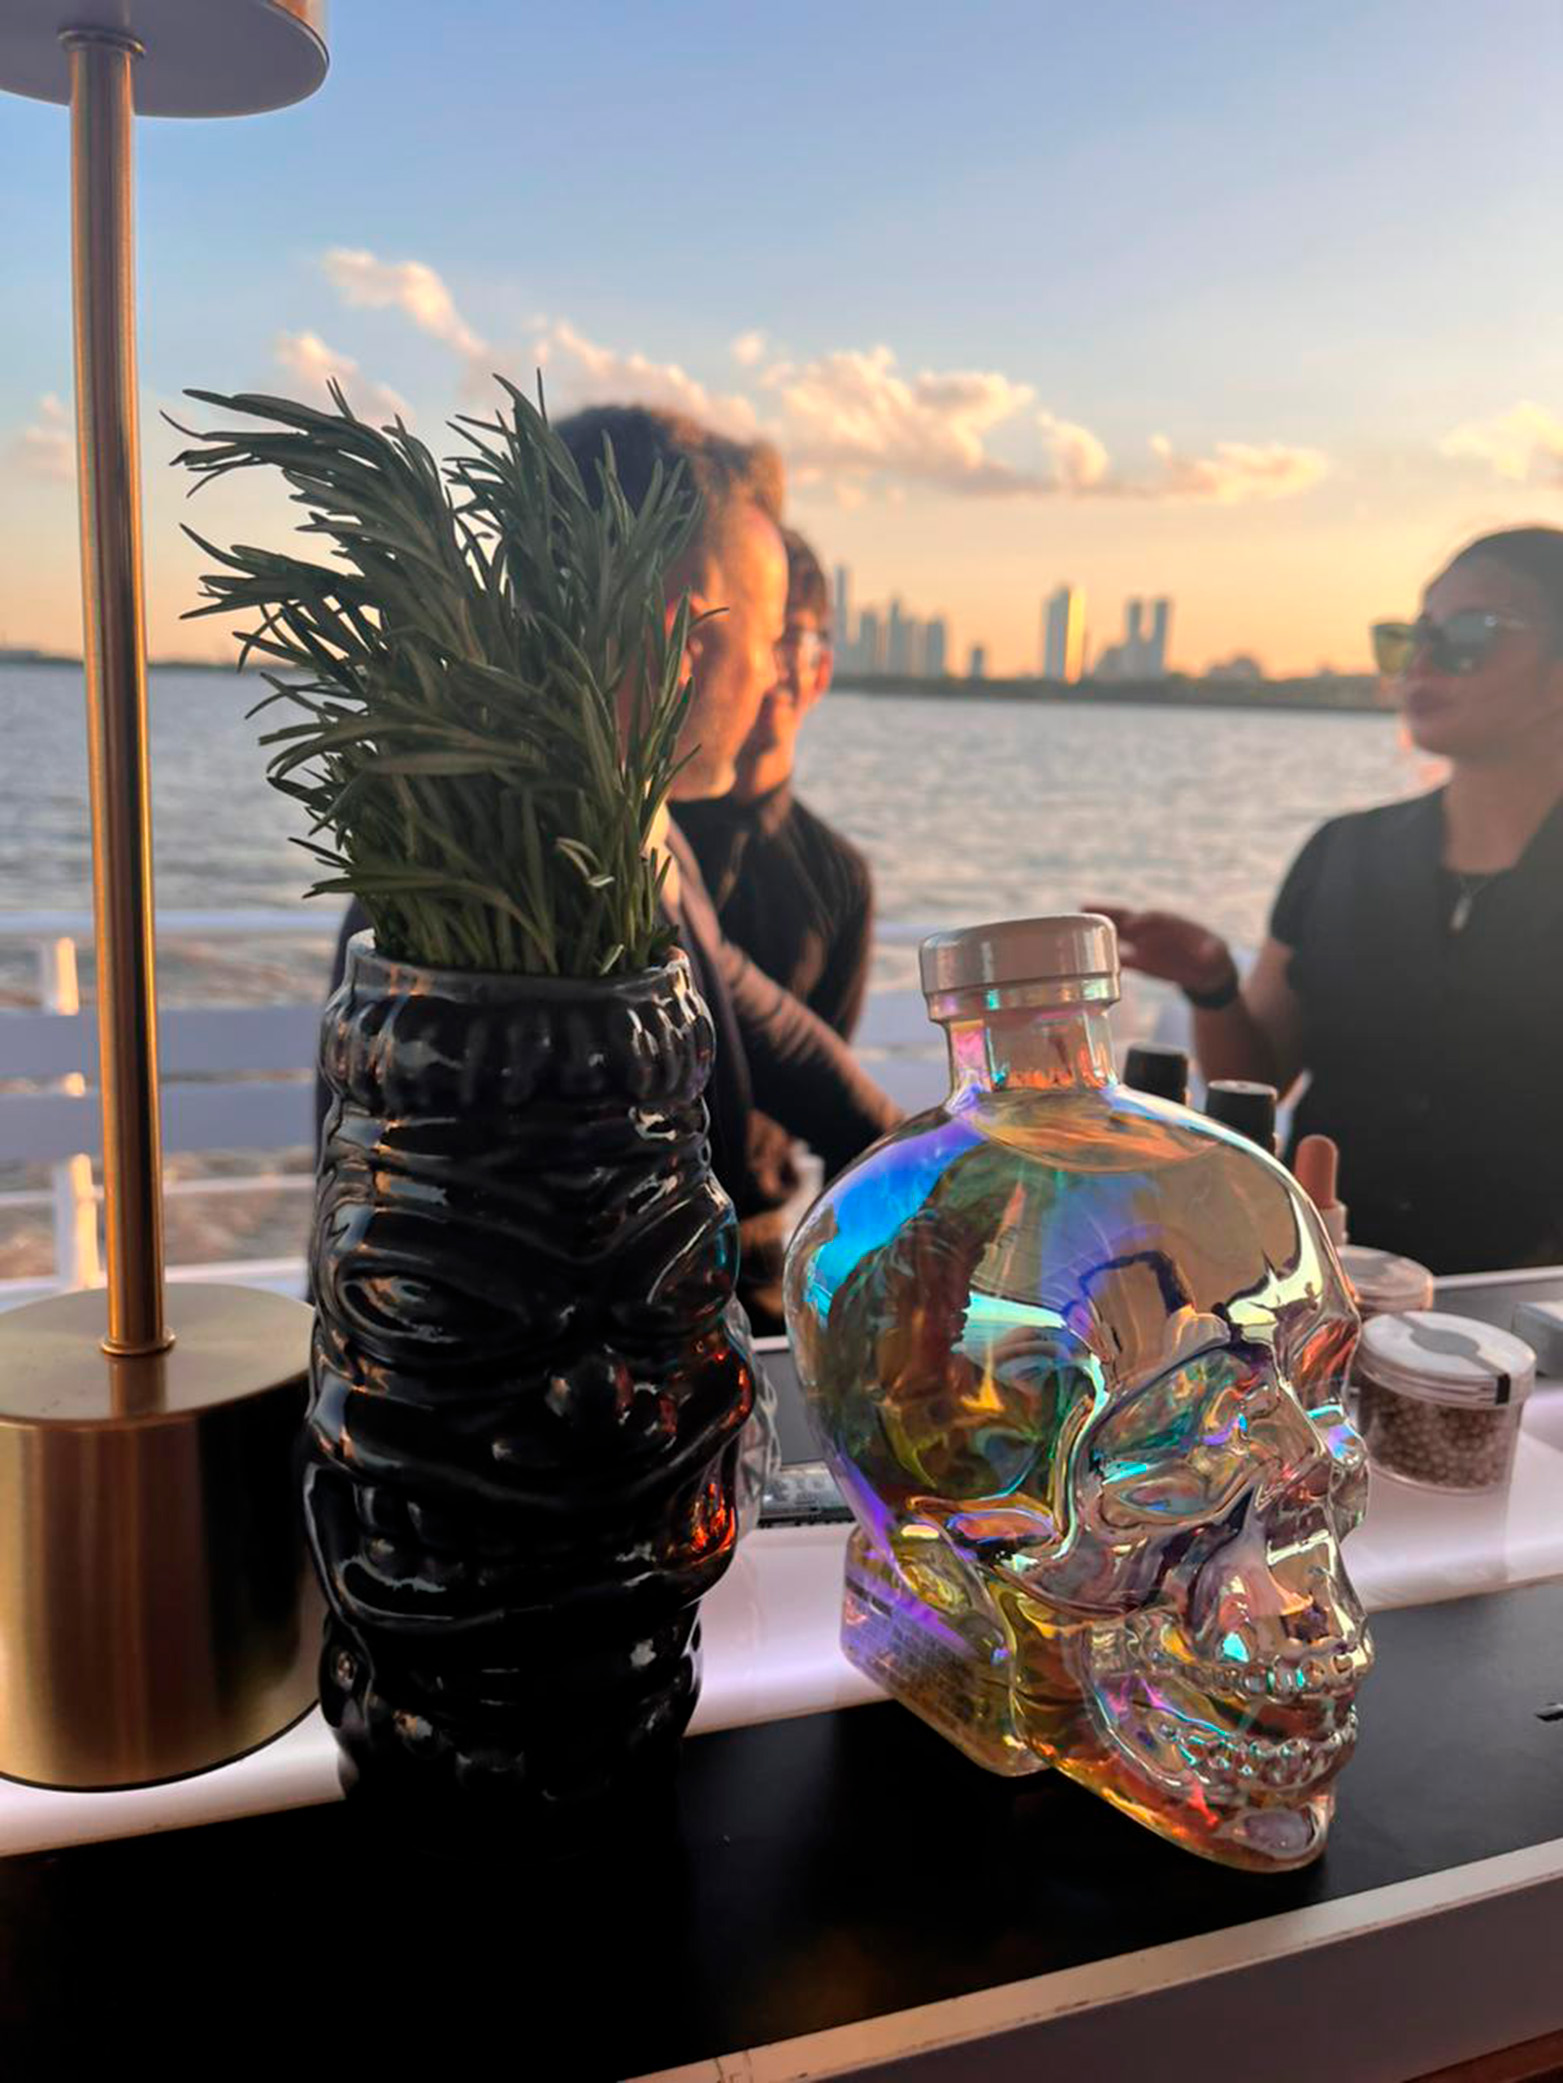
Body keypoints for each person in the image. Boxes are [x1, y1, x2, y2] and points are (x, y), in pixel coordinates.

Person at [320, 407, 899, 1326]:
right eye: (762, 639)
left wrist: (942, 1164)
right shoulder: (523, 891)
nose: (766, 680)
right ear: (683, 636)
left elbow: (769, 1027)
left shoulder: (637, 829)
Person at [1095, 526, 1563, 1274]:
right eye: (1411, 637)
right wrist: (1212, 984)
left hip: (1528, 1303)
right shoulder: (1344, 853)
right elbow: (1261, 1080)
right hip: (1319, 1276)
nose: (1422, 662)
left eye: (1470, 636)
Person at [677, 528, 874, 1041]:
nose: (770, 669)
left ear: (821, 671)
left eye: (790, 642)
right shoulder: (643, 833)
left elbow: (826, 1067)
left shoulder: (840, 879)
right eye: (757, 636)